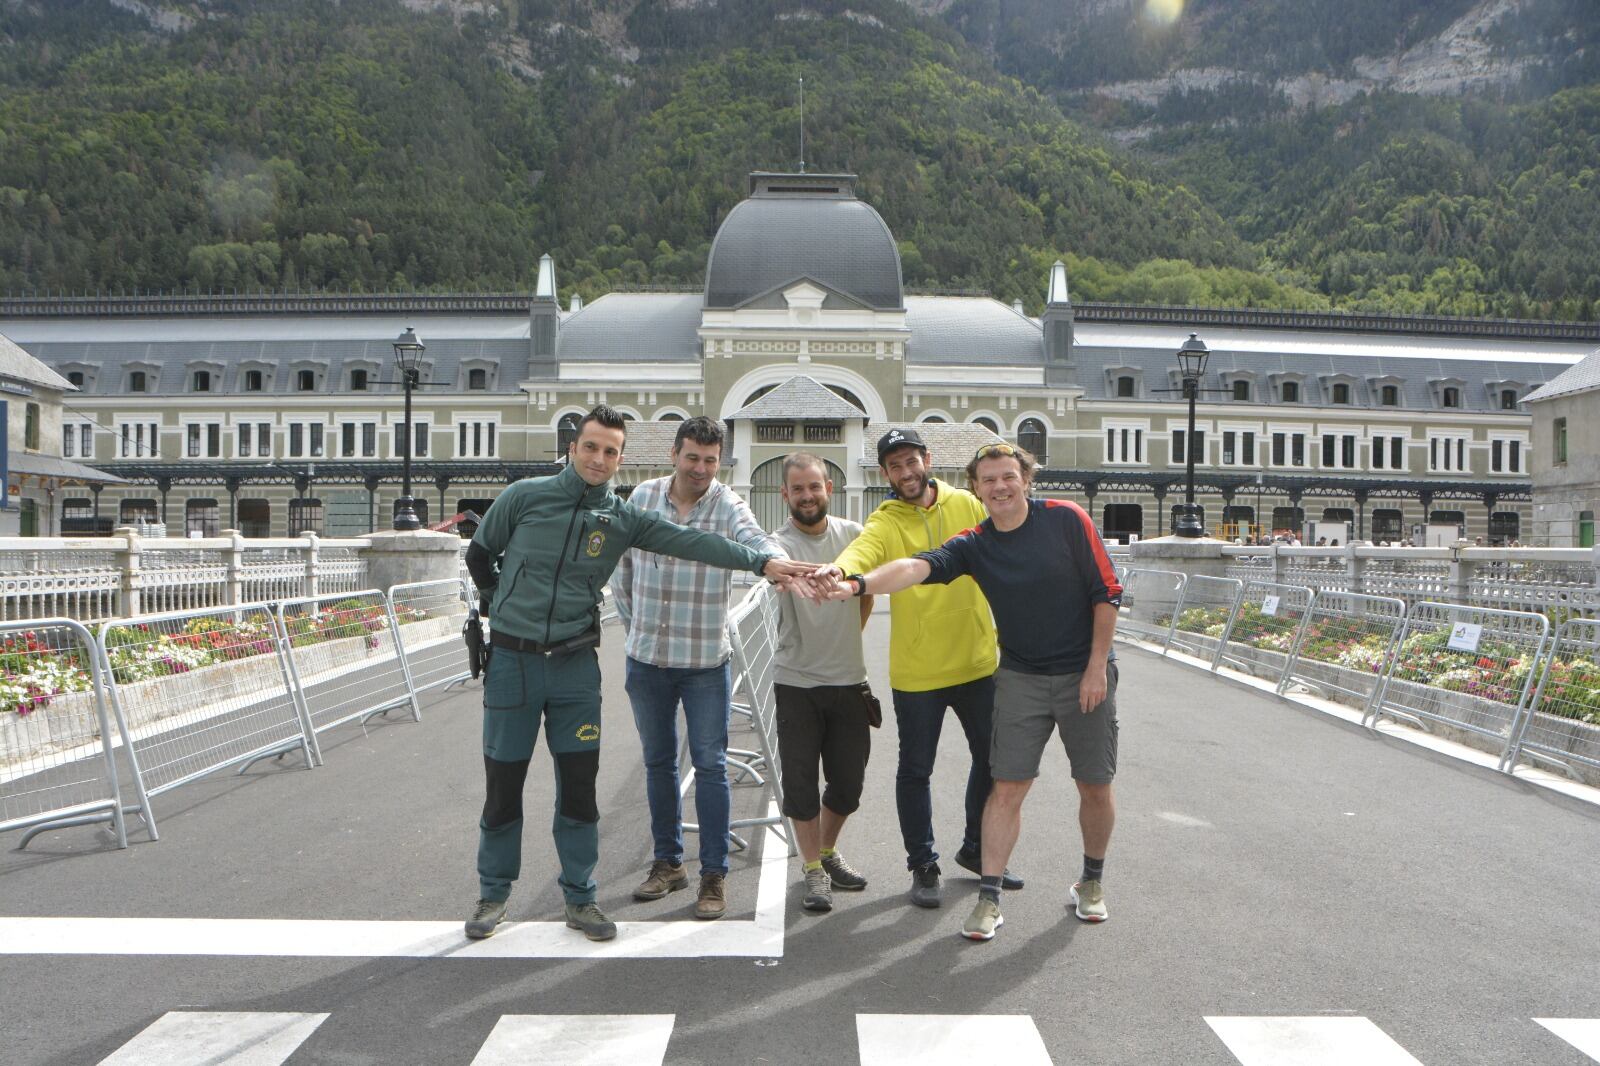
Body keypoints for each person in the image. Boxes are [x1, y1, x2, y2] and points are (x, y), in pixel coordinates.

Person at [461, 405, 815, 942]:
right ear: (572, 448)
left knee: (579, 790)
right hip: (514, 664)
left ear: (621, 458)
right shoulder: (524, 496)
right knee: (503, 786)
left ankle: (581, 898)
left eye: (610, 451)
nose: (598, 459)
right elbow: (480, 555)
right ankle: (493, 894)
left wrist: (763, 563)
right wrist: (502, 605)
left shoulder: (622, 517)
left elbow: (695, 543)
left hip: (575, 668)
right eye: (590, 447)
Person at [819, 443, 1121, 941]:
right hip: (1016, 677)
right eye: (989, 480)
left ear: (1026, 479)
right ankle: (987, 895)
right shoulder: (974, 542)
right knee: (1005, 787)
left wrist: (1095, 667)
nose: (1000, 487)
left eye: (1008, 477)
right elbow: (914, 567)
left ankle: (1091, 881)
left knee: (1093, 785)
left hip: (1079, 673)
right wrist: (855, 584)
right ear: (977, 488)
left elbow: (1106, 590)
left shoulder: (1066, 519)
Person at [825, 427, 1022, 909]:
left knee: (992, 763)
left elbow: (1010, 526)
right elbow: (862, 553)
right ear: (885, 474)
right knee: (915, 771)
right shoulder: (885, 521)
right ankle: (923, 865)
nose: (906, 472)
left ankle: (976, 848)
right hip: (918, 673)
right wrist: (841, 572)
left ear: (927, 460)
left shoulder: (967, 504)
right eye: (895, 466)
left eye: (911, 461)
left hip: (977, 662)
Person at [614, 416, 782, 921]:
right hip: (647, 659)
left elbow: (757, 540)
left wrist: (777, 563)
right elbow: (622, 572)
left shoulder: (727, 504)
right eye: (692, 457)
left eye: (711, 460)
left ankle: (713, 873)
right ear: (674, 454)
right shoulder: (642, 497)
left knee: (710, 765)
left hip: (705, 661)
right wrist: (636, 629)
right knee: (658, 762)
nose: (701, 469)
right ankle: (668, 863)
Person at [771, 453, 876, 913]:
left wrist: (849, 635)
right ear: (785, 494)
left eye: (814, 486)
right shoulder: (777, 545)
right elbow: (766, 568)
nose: (807, 495)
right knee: (800, 784)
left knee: (848, 783)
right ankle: (813, 868)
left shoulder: (854, 536)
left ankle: (828, 851)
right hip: (795, 681)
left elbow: (868, 591)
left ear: (829, 488)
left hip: (849, 679)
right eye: (798, 489)